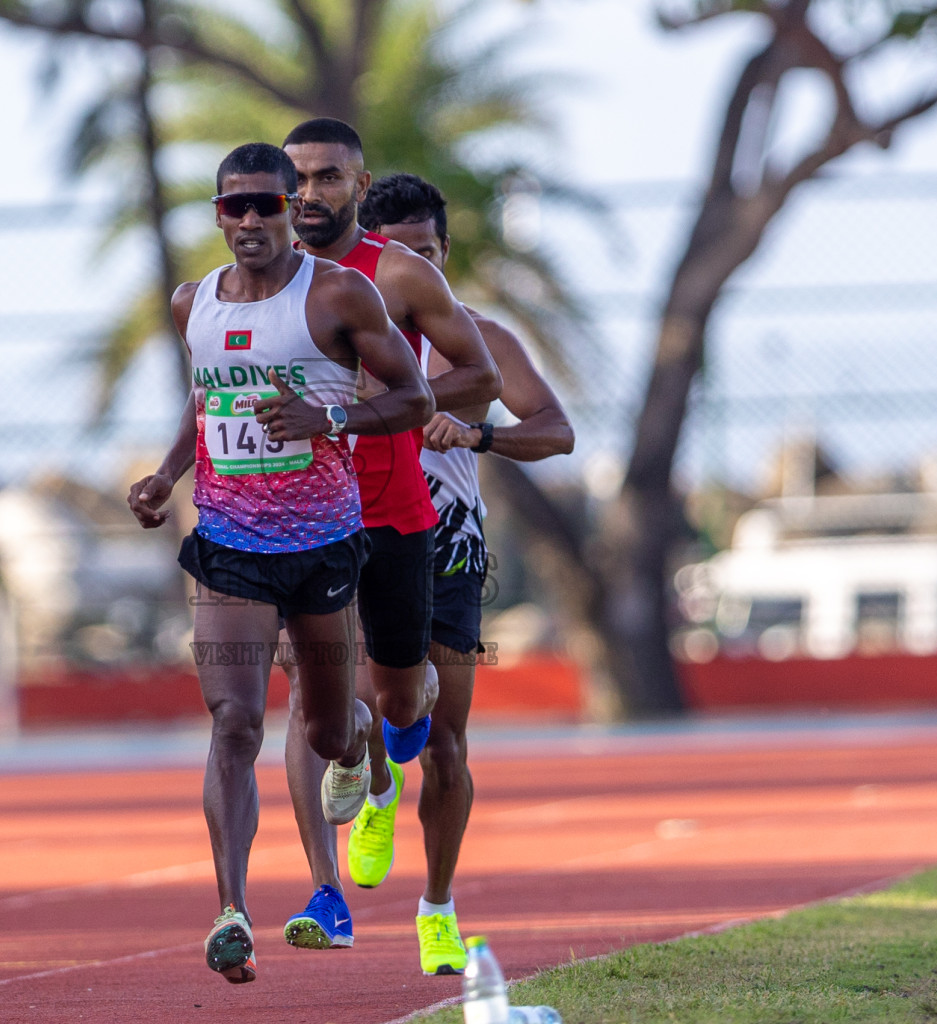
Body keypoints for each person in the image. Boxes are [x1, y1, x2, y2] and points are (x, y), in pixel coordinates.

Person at [126, 143, 432, 984]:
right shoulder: (194, 303)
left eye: (268, 204)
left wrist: (327, 421)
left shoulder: (337, 293)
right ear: (218, 215)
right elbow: (206, 403)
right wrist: (165, 476)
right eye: (236, 208)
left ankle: (364, 740)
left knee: (327, 729)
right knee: (235, 721)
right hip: (228, 544)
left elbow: (416, 398)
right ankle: (232, 911)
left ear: (291, 209)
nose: (253, 220)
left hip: (325, 545)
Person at [275, 118, 505, 954]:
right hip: (296, 517)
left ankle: (389, 766)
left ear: (357, 185)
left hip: (398, 512)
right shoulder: (250, 284)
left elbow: (482, 375)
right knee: (310, 702)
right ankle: (325, 896)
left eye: (327, 177)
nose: (307, 193)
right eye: (294, 178)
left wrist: (396, 413)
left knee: (414, 720)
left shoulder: (399, 275)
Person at [351, 172, 575, 975]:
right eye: (402, 256)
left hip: (448, 544)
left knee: (446, 740)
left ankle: (436, 908)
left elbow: (556, 431)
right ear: (371, 260)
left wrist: (478, 439)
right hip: (354, 532)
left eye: (432, 255)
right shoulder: (334, 335)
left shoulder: (480, 339)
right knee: (368, 706)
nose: (420, 271)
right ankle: (375, 785)